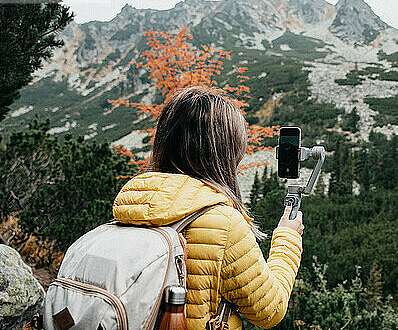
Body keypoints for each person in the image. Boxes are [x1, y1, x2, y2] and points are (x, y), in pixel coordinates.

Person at [112, 86, 304, 330]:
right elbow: (270, 310)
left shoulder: (131, 206)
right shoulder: (223, 224)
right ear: (225, 153)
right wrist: (287, 237)